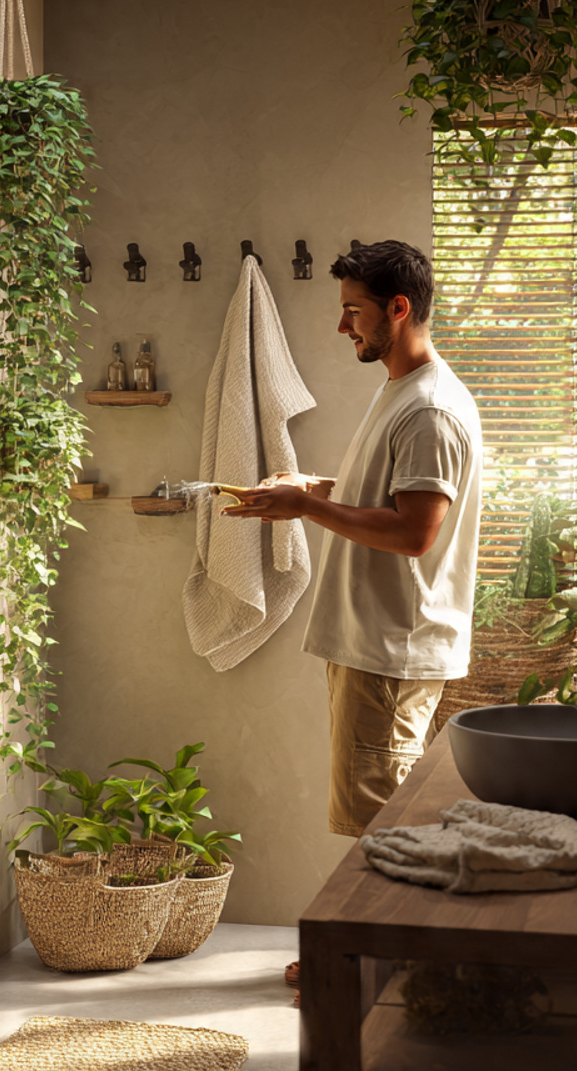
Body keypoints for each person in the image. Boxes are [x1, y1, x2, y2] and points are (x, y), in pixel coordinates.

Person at [226, 240, 482, 835]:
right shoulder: (402, 390)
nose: (342, 326)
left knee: (388, 840)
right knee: (381, 834)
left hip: (391, 648)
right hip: (377, 645)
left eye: (353, 311)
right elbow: (395, 495)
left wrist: (304, 509)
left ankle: (401, 932)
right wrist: (313, 488)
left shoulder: (429, 410)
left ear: (398, 307)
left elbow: (416, 531)